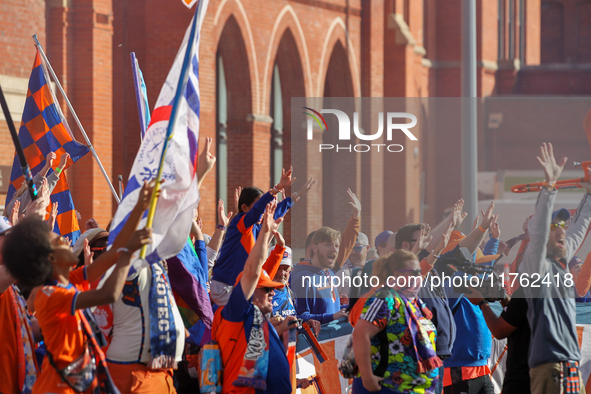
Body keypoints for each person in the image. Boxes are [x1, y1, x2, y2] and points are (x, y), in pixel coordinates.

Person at [2, 186, 153, 394]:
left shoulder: (67, 281)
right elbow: (109, 293)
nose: (67, 242)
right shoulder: (51, 295)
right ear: (52, 259)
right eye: (59, 242)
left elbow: (111, 255)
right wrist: (127, 253)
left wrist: (139, 209)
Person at [519, 142, 591, 394]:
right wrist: (548, 187)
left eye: (562, 225)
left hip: (570, 364)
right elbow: (538, 234)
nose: (562, 229)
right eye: (555, 227)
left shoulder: (560, 261)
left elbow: (580, 224)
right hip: (550, 365)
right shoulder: (537, 266)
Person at [211, 200, 295, 393]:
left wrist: (283, 327)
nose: (272, 292)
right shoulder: (235, 312)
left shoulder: (259, 320)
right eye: (266, 289)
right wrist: (265, 233)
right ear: (248, 291)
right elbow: (250, 272)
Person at [210, 169, 315, 306]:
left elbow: (275, 213)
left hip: (239, 286)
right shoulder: (239, 222)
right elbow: (256, 211)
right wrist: (277, 189)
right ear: (245, 208)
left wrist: (296, 196)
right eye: (261, 207)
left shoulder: (258, 227)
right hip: (224, 287)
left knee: (261, 310)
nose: (264, 211)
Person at [349, 250, 441, 393]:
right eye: (413, 272)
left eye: (419, 271)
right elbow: (360, 335)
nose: (418, 276)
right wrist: (368, 378)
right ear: (397, 275)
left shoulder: (414, 302)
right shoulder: (386, 298)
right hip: (387, 387)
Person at [466, 285, 531, 394]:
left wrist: (482, 303)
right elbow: (517, 315)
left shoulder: (526, 291)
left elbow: (499, 331)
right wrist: (503, 298)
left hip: (522, 374)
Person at [291, 227, 349, 324]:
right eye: (327, 245)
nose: (334, 249)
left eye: (336, 246)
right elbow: (299, 317)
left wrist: (348, 309)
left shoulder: (330, 273)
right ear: (314, 248)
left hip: (334, 336)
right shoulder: (303, 278)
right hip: (318, 338)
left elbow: (331, 311)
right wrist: (332, 317)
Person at [336, 232, 370, 298]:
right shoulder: (340, 271)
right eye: (351, 248)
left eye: (357, 249)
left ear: (367, 248)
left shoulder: (372, 269)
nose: (353, 252)